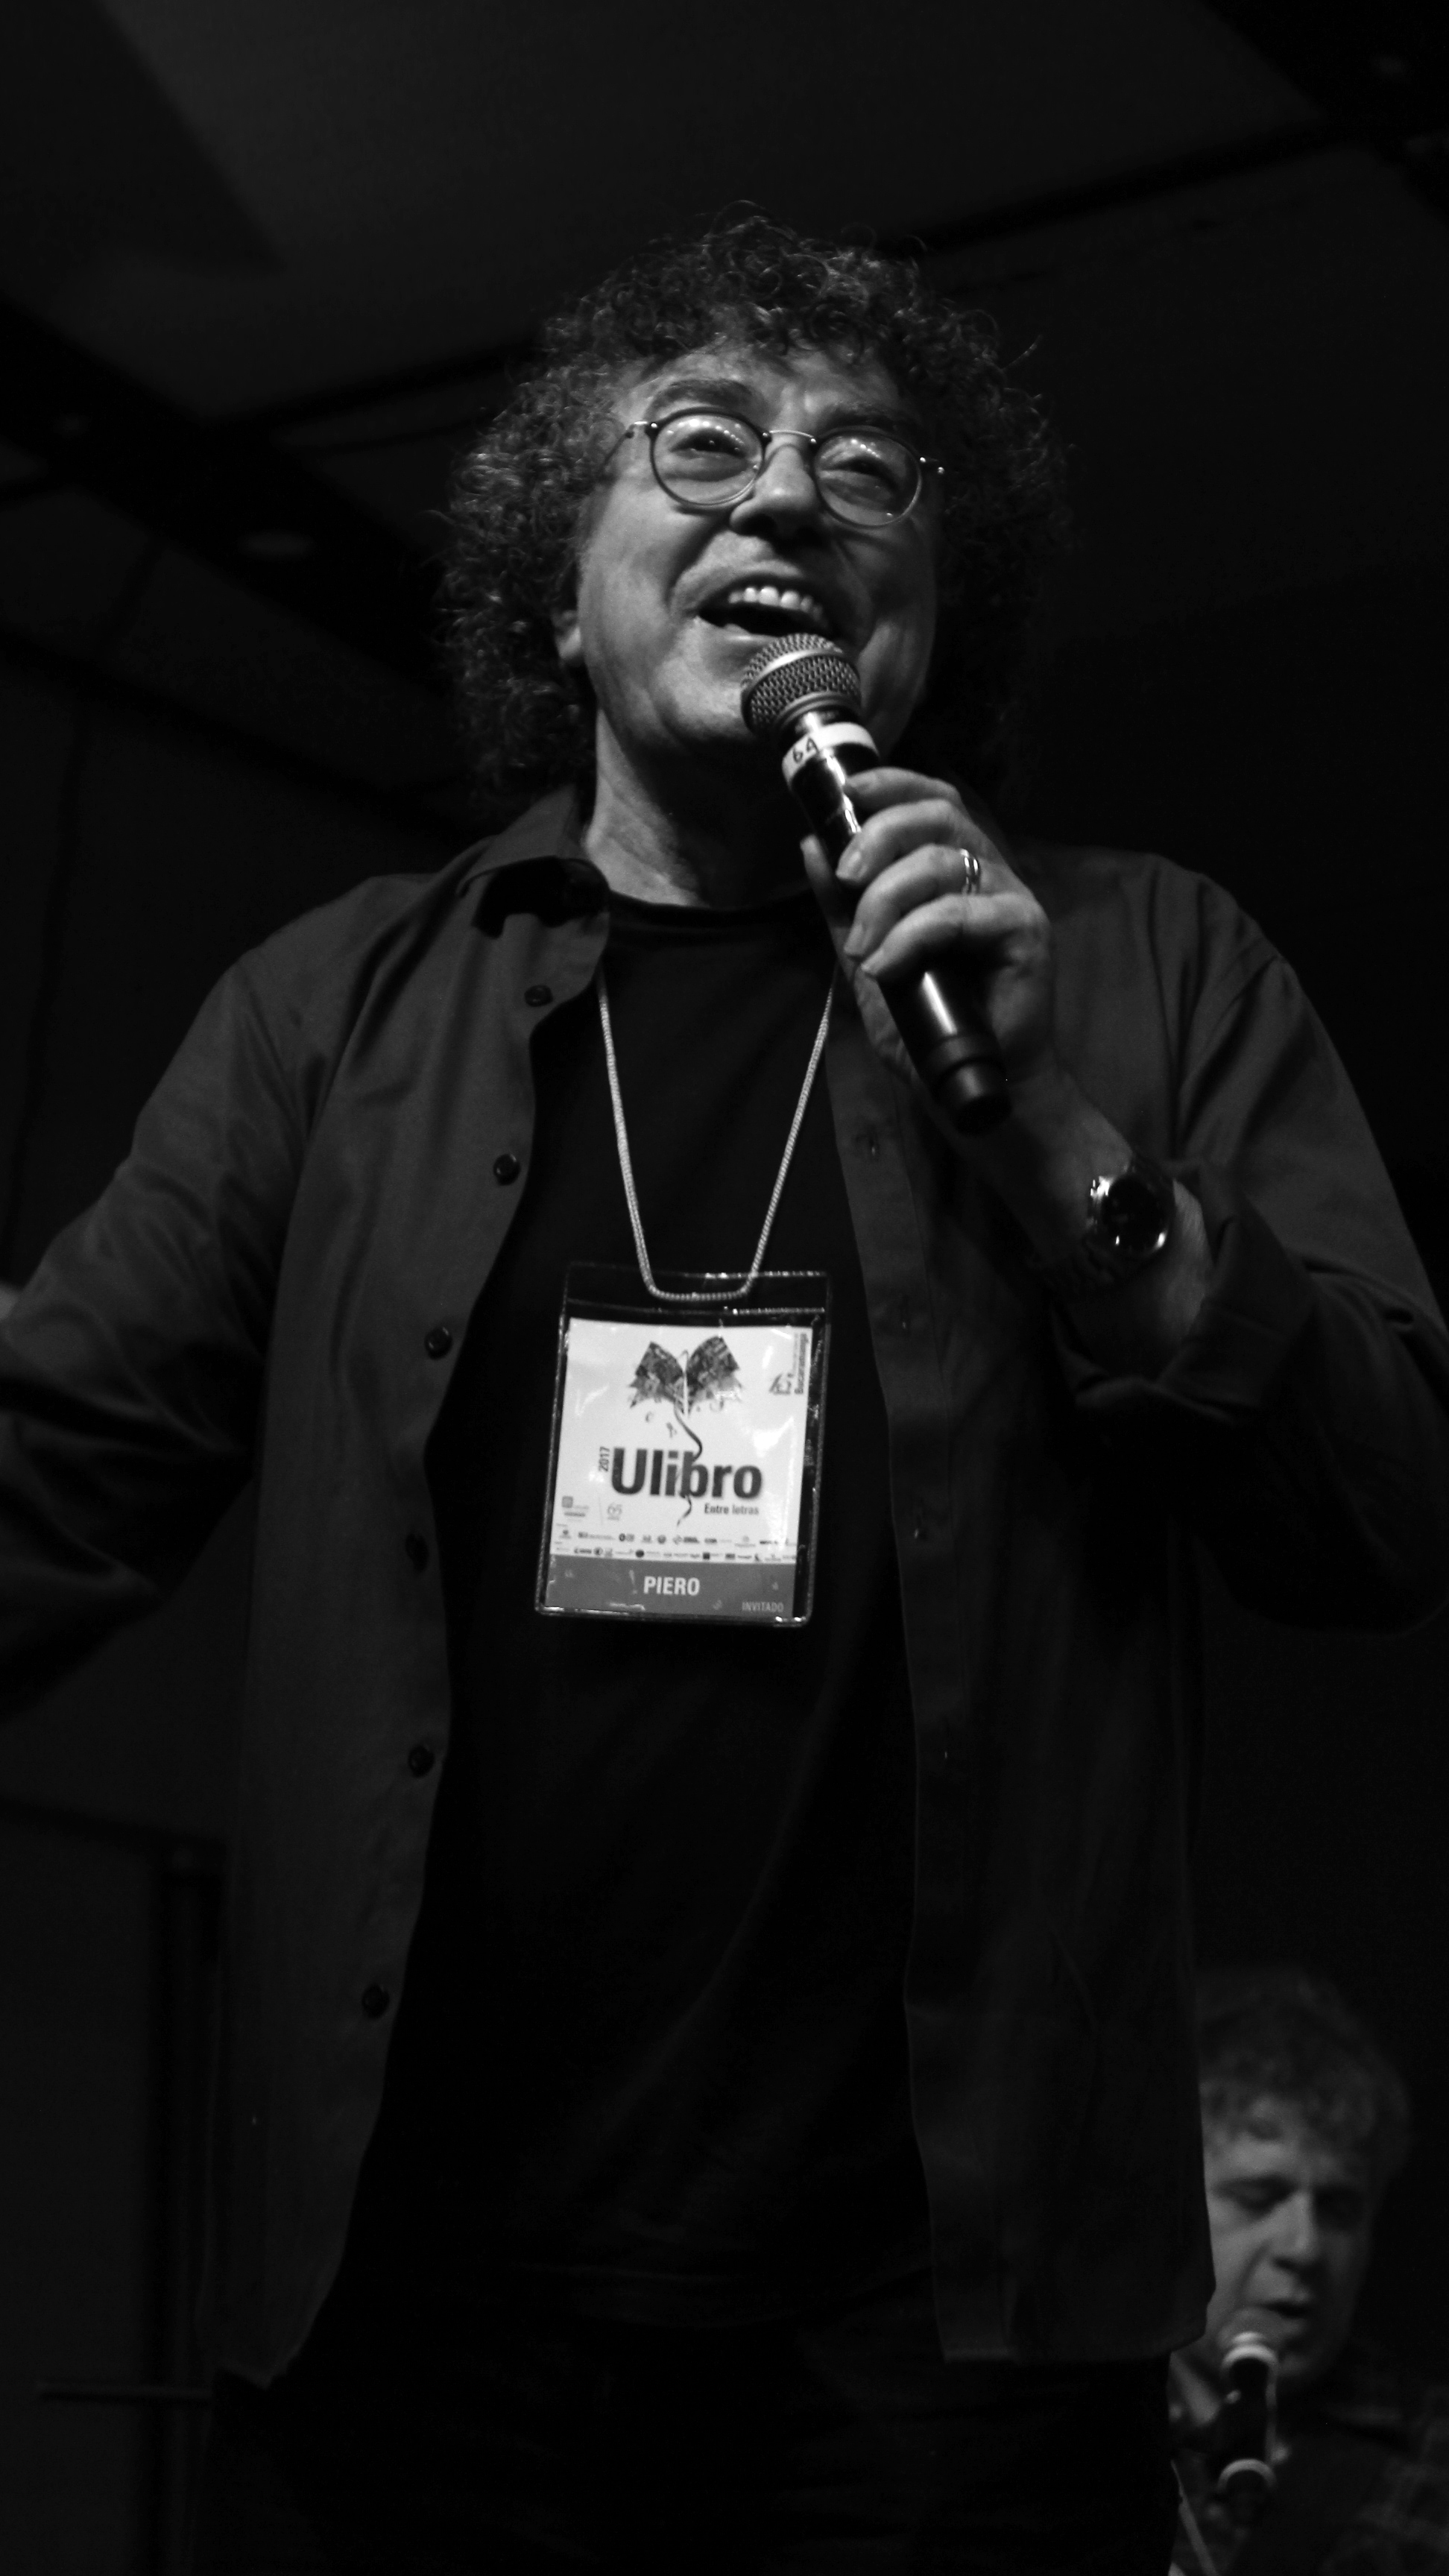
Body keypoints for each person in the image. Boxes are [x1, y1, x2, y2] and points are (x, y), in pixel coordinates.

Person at [1, 215, 1448, 2574]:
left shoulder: (1150, 968)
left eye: (867, 472)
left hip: (945, 2358)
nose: (786, 493)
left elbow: (1381, 1505)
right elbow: (50, 1473)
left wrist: (1053, 1136)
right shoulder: (333, 1018)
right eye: (701, 446)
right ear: (556, 599)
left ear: (932, 620)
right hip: (422, 2324)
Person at [1171, 1967, 1449, 2573]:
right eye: (1258, 2197)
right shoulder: (1064, 2443)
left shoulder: (1435, 2459)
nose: (1305, 2247)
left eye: (1340, 2208)